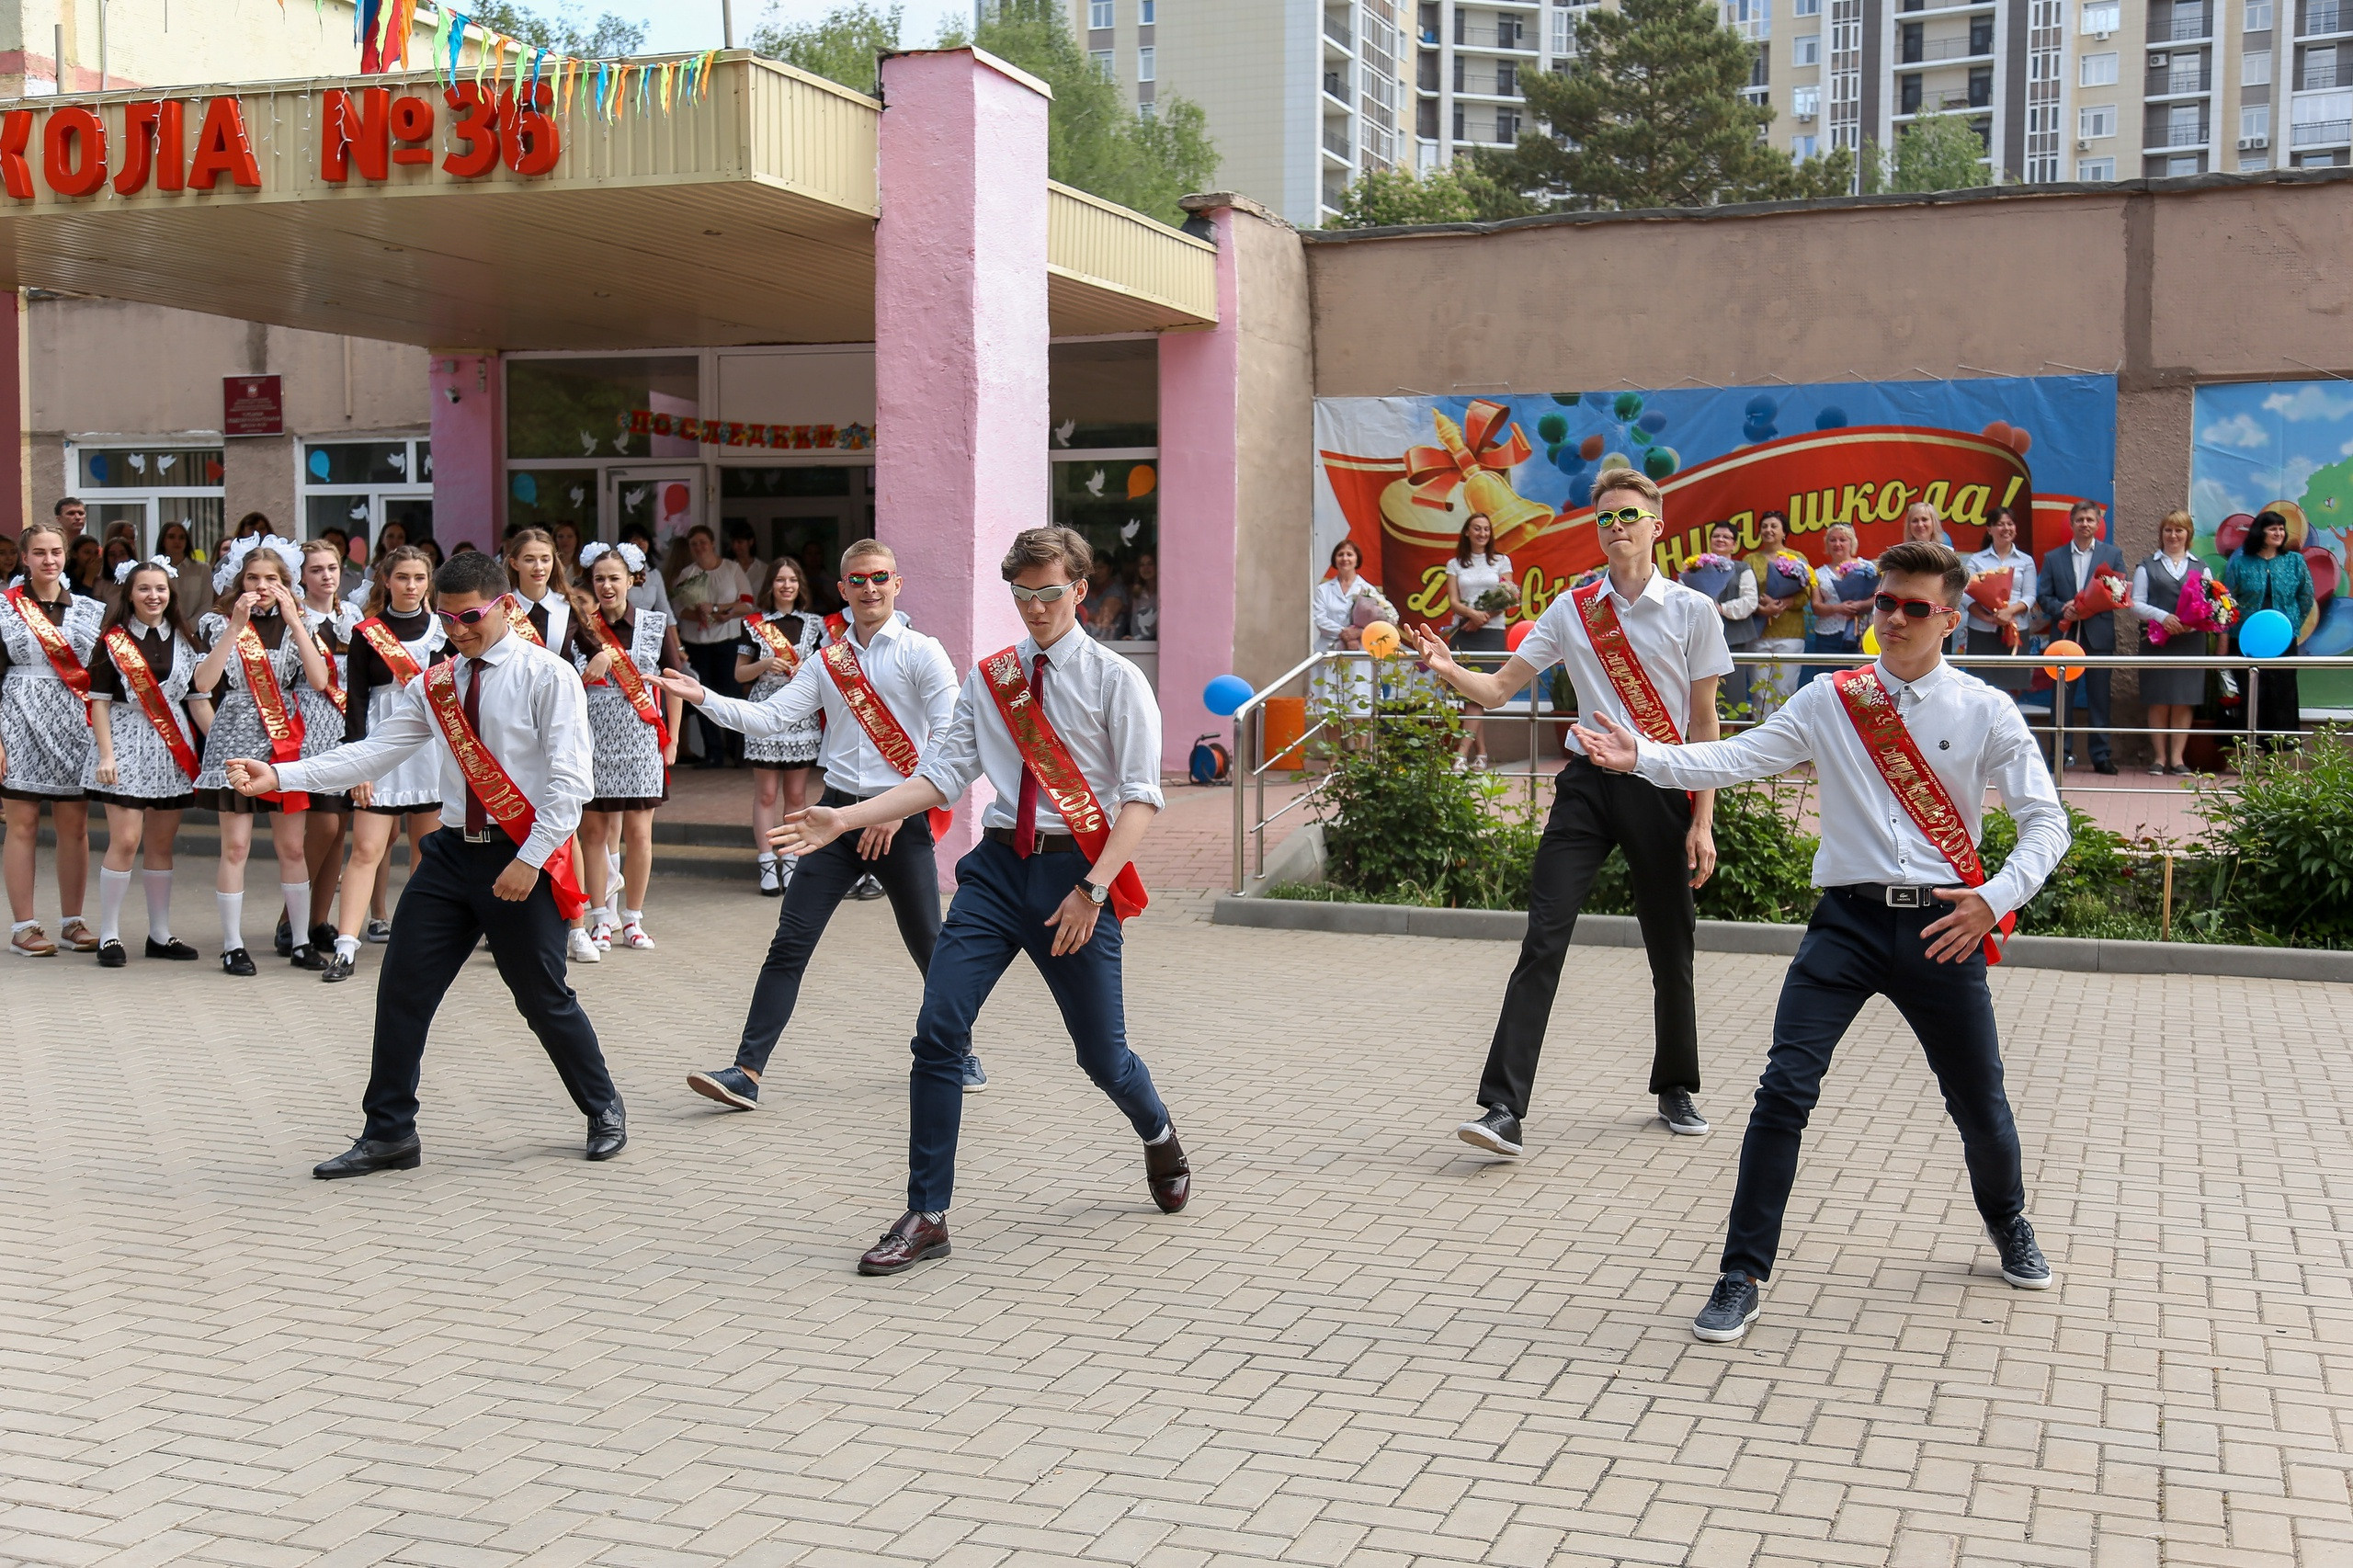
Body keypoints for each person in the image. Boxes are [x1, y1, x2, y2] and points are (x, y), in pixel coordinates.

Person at [1571, 540, 2069, 1343]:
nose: (1895, 618)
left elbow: (2047, 822)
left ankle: (2008, 1219)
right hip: (1847, 922)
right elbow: (1739, 756)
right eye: (1885, 603)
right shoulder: (1833, 700)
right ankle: (1741, 1273)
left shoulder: (1986, 709)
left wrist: (1994, 897)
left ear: (1949, 617)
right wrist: (1645, 758)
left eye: (1915, 607)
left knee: (1979, 1101)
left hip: (1946, 925)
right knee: (1783, 1091)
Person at [775, 526, 1189, 1276]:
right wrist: (847, 815)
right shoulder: (992, 677)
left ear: (1080, 591)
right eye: (1022, 594)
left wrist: (1093, 891)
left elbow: (1141, 800)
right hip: (997, 874)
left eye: (1049, 592)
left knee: (1101, 1057)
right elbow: (941, 776)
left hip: (1075, 880)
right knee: (938, 1032)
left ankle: (1157, 1131)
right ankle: (927, 1213)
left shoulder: (1114, 679)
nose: (1034, 607)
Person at [229, 550, 626, 1176]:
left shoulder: (548, 677)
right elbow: (370, 754)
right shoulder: (436, 682)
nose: (459, 630)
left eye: (471, 616)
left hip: (520, 857)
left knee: (542, 997)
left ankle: (603, 1106)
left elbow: (570, 785)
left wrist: (528, 859)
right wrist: (278, 773)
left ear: (506, 607)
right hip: (447, 856)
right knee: (402, 991)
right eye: (448, 620)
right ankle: (389, 1133)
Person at [1409, 468, 1731, 1157]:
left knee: (1670, 947)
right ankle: (1502, 1107)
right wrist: (1446, 668)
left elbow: (1705, 724)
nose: (1617, 528)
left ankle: (1675, 1085)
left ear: (1657, 525)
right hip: (1588, 788)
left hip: (1663, 782)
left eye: (1629, 516)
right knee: (1544, 933)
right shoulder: (1572, 610)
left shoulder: (1691, 611)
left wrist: (1702, 821)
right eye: (1606, 518)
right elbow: (1497, 689)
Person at [664, 538, 971, 1112]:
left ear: (897, 583)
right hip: (831, 819)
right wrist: (702, 694)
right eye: (858, 580)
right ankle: (746, 1072)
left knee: (931, 947)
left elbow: (949, 739)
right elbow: (771, 717)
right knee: (789, 942)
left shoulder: (923, 653)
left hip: (898, 819)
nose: (870, 588)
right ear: (842, 588)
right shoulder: (828, 661)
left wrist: (897, 808)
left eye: (880, 577)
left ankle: (959, 1047)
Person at [189, 535, 334, 974]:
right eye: (253, 577)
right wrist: (235, 626)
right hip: (234, 732)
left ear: (286, 583)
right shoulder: (218, 622)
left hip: (284, 738)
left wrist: (295, 621)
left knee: (292, 847)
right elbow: (203, 684)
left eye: (272, 578)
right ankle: (233, 945)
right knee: (236, 847)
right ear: (239, 581)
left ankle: (301, 940)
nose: (262, 585)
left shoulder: (302, 621)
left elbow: (320, 678)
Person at [321, 546, 450, 983]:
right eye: (403, 578)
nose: (411, 586)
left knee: (426, 852)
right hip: (380, 744)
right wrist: (360, 766)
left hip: (430, 749)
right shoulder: (365, 632)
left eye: (419, 578)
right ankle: (346, 946)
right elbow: (355, 701)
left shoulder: (443, 631)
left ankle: (416, 946)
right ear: (386, 581)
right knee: (366, 850)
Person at [83, 556, 211, 965]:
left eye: (160, 588)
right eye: (144, 589)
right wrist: (106, 754)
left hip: (170, 746)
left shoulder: (186, 638)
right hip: (123, 741)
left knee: (160, 844)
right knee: (125, 840)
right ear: (129, 594)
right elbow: (99, 703)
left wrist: (221, 747)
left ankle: (159, 933)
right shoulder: (113, 640)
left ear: (170, 593)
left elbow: (197, 701)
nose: (153, 596)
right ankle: (109, 935)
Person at [567, 541, 685, 950]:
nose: (606, 585)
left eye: (614, 577)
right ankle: (601, 918)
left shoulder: (654, 624)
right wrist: (592, 670)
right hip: (593, 739)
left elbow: (674, 683)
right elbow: (562, 688)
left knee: (639, 833)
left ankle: (633, 918)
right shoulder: (578, 627)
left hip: (642, 739)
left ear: (633, 580)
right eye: (599, 578)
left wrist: (672, 739)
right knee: (595, 834)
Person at [0, 518, 103, 957]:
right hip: (17, 716)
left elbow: (100, 678)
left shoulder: (90, 609)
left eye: (56, 552)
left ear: (66, 556)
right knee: (22, 824)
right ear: (24, 558)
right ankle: (24, 926)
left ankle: (72, 921)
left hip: (74, 721)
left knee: (74, 826)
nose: (48, 560)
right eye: (39, 553)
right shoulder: (3, 607)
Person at [502, 527, 594, 965]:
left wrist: (600, 662)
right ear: (513, 563)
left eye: (546, 558)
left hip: (556, 720)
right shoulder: (501, 609)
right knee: (508, 815)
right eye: (530, 558)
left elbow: (600, 649)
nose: (539, 566)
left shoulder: (567, 605)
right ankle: (505, 919)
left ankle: (577, 925)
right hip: (511, 723)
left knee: (564, 821)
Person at [729, 557, 823, 897]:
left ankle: (793, 860)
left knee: (797, 795)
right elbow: (739, 674)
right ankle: (766, 862)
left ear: (800, 585)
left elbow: (829, 666)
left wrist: (808, 671)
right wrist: (766, 662)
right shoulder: (753, 624)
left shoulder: (816, 625)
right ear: (771, 585)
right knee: (766, 793)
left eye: (793, 580)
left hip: (801, 713)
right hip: (765, 712)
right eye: (780, 579)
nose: (787, 586)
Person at [287, 540, 354, 960]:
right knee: (323, 826)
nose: (326, 576)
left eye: (332, 567)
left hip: (346, 724)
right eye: (316, 569)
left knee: (339, 829)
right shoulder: (293, 618)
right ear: (301, 576)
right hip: (306, 725)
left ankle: (317, 920)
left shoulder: (353, 616)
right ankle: (287, 919)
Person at [2036, 500, 2126, 775]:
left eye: (2090, 520)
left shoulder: (2113, 554)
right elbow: (2043, 596)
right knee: (2061, 698)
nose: (2085, 524)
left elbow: (2119, 594)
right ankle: (2059, 754)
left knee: (2100, 698)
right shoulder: (2054, 557)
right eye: (2080, 520)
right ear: (2071, 523)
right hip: (2064, 637)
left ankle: (2101, 755)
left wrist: (2091, 606)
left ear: (2098, 524)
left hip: (2098, 636)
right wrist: (2063, 608)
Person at [2224, 508, 2317, 754]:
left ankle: (2275, 755)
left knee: (2281, 693)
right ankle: (2246, 752)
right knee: (2250, 693)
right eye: (2273, 528)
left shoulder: (2294, 561)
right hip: (2245, 640)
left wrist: (2292, 624)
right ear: (2260, 531)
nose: (2278, 533)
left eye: (2281, 528)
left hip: (2282, 641)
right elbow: (2227, 601)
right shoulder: (2242, 562)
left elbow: (2306, 596)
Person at [2131, 510, 2210, 774]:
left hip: (2190, 641)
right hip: (2157, 641)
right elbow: (2137, 604)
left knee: (2184, 699)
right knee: (2159, 698)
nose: (2173, 535)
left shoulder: (2202, 567)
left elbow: (2210, 606)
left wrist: (2191, 622)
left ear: (2189, 535)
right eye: (2168, 530)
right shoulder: (2146, 566)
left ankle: (2178, 759)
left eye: (2179, 530)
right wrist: (2163, 617)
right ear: (2161, 533)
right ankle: (2159, 757)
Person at [671, 524, 754, 768]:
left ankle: (738, 752)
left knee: (732, 695)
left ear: (713, 543)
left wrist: (719, 611)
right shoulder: (687, 573)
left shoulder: (732, 568)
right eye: (693, 544)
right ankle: (713, 753)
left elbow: (748, 602)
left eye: (702, 542)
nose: (698, 547)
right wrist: (699, 615)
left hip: (727, 642)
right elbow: (676, 610)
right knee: (701, 697)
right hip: (697, 644)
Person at [1443, 513, 1516, 768]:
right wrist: (1470, 615)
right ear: (1467, 532)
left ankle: (1461, 754)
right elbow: (1453, 601)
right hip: (1464, 632)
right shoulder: (1454, 564)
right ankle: (1481, 754)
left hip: (1491, 633)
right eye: (1476, 529)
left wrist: (1482, 618)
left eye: (1486, 529)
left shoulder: (1501, 561)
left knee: (1477, 695)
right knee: (1468, 696)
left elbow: (1509, 595)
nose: (1482, 533)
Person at [1682, 522, 1757, 716]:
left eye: (1726, 537)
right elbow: (1680, 596)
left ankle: (1730, 736)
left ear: (1734, 544)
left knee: (1733, 694)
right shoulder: (1695, 566)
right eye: (1716, 536)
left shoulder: (1742, 568)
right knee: (1703, 691)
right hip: (1701, 638)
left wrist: (1721, 608)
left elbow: (1750, 600)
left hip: (1734, 638)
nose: (1721, 540)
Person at [1744, 510, 1812, 720]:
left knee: (1784, 692)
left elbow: (1806, 594)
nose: (1768, 530)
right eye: (1764, 526)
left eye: (1774, 526)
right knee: (1759, 692)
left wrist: (1784, 603)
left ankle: (1782, 740)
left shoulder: (1797, 558)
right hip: (1758, 634)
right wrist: (1761, 606)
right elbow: (1744, 591)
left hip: (1790, 634)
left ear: (1784, 532)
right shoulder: (1751, 559)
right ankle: (1757, 737)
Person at [1962, 506, 2036, 694]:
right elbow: (1965, 594)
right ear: (1989, 529)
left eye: (2010, 524)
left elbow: (2030, 596)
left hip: (2015, 631)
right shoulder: (1976, 560)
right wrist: (1990, 618)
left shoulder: (2025, 561)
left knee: (2012, 688)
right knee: (1980, 688)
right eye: (2000, 524)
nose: (2006, 528)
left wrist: (2008, 613)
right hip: (1982, 630)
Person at [1802, 523, 1874, 688]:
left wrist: (1859, 605)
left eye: (1843, 540)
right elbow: (1816, 606)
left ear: (1852, 543)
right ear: (1827, 545)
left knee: (1858, 684)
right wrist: (1838, 608)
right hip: (1828, 637)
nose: (1837, 544)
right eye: (1832, 540)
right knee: (1828, 684)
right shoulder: (1819, 573)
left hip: (1859, 635)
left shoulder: (1866, 568)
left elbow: (1877, 597)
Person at [155, 521, 212, 627]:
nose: (177, 541)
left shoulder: (202, 569)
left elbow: (206, 604)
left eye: (182, 537)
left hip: (195, 630)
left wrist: (189, 627)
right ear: (163, 540)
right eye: (171, 537)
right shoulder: (154, 570)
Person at [722, 524, 767, 607]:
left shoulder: (764, 569)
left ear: (750, 542)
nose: (735, 546)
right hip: (734, 617)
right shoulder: (726, 568)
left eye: (740, 542)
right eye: (733, 542)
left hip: (758, 616)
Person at [1128, 551, 1159, 642]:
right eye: (1142, 565)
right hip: (1139, 643)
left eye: (1150, 564)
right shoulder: (1138, 592)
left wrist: (1138, 638)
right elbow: (1135, 621)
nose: (1146, 568)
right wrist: (1134, 639)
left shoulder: (1163, 592)